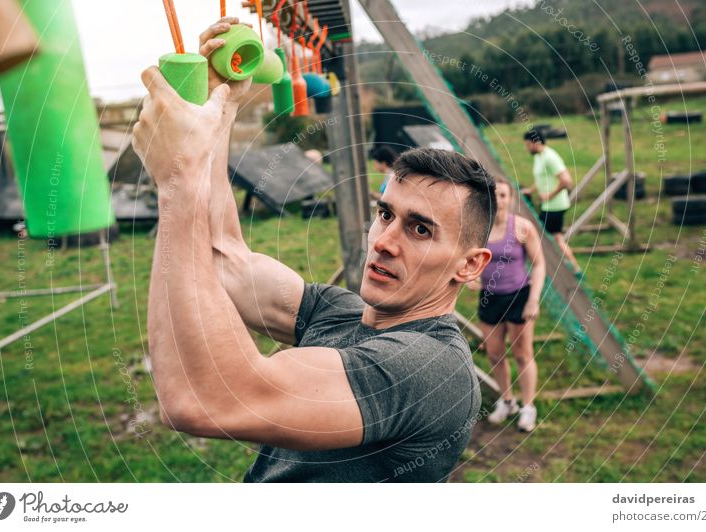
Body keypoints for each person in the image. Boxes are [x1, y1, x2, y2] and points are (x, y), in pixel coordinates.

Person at [129, 16, 497, 482]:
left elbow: (204, 400)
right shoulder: (340, 314)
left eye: (420, 230)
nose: (384, 242)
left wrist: (178, 182)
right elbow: (223, 256)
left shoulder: (430, 369)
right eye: (385, 214)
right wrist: (220, 110)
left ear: (469, 264)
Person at [469, 180, 546, 432]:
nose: (498, 199)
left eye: (502, 194)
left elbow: (540, 264)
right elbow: (468, 259)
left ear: (510, 198)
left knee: (522, 354)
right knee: (494, 353)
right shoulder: (479, 228)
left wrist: (533, 300)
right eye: (493, 194)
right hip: (489, 298)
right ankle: (507, 401)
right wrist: (471, 275)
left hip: (518, 296)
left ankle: (528, 407)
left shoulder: (522, 228)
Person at [520, 128, 581, 275]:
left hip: (555, 206)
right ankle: (565, 265)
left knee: (552, 238)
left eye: (528, 145)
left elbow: (566, 181)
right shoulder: (538, 157)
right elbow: (542, 178)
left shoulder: (550, 157)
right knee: (551, 237)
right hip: (548, 206)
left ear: (537, 143)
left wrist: (549, 196)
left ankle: (573, 267)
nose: (526, 148)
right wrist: (531, 190)